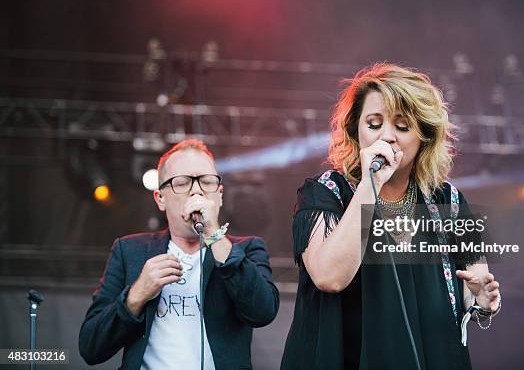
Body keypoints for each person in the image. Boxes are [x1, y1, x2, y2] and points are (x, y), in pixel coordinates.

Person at [281, 63, 502, 369]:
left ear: (424, 134)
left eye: (402, 126)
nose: (387, 136)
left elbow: (472, 284)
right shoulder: (326, 193)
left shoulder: (448, 201)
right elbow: (329, 277)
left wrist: (481, 301)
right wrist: (370, 186)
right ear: (355, 131)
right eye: (374, 124)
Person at [79, 139, 279, 370]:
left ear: (220, 195)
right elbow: (91, 347)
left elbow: (262, 312)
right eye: (182, 182)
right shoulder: (130, 251)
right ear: (160, 198)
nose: (197, 190)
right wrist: (137, 295)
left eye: (206, 181)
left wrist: (213, 233)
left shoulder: (247, 249)